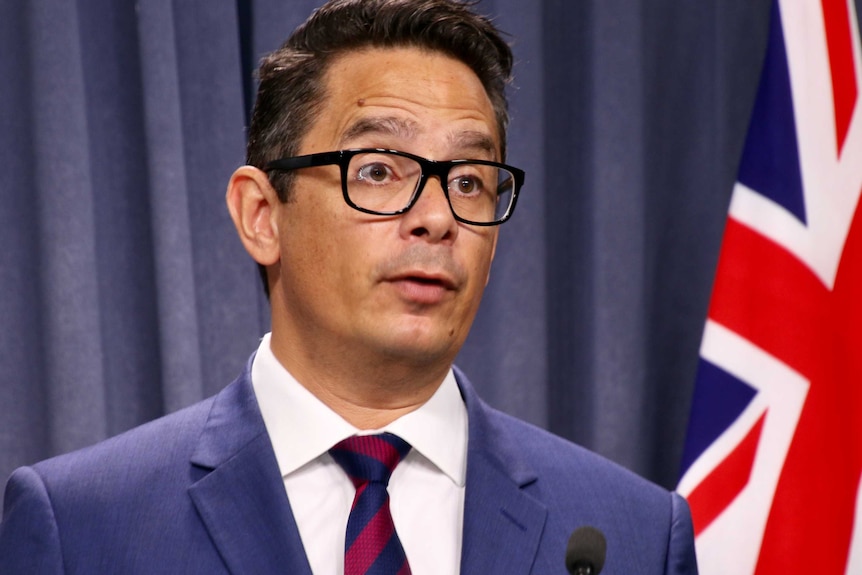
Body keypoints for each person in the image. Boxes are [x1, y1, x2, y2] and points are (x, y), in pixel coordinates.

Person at [0, 0, 698, 573]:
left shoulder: (629, 535)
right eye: (378, 170)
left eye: (469, 181)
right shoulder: (84, 528)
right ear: (261, 215)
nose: (435, 218)